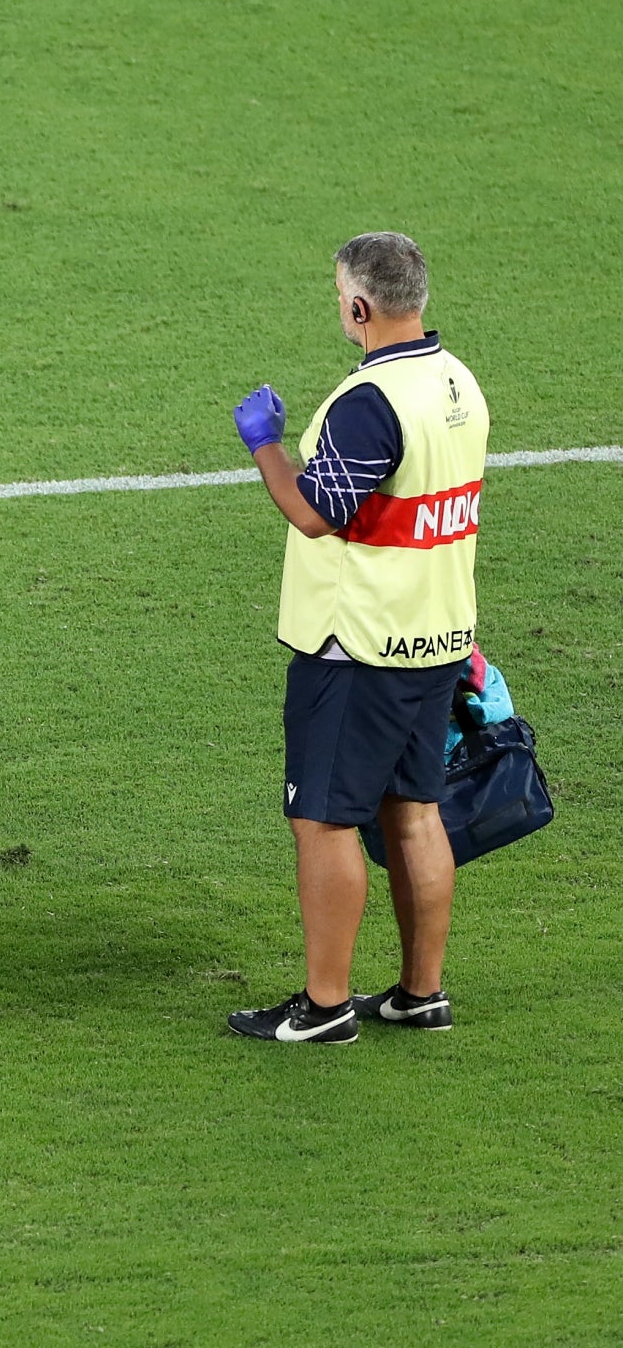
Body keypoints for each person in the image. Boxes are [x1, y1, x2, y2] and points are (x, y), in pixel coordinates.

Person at [226, 232, 485, 1044]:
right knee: (414, 811)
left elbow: (314, 511)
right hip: (435, 635)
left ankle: (326, 1006)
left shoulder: (370, 402)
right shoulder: (459, 384)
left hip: (358, 644)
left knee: (326, 821)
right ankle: (421, 993)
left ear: (360, 307)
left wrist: (264, 441)